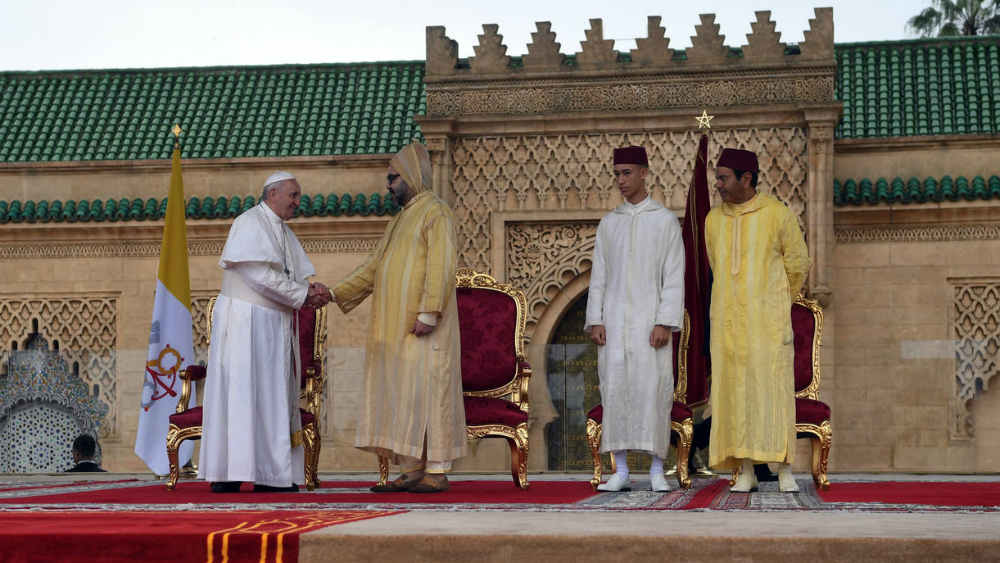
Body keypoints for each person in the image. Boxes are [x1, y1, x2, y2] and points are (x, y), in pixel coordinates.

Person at [330, 141, 466, 494]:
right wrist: (333, 293)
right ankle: (416, 467)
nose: (388, 185)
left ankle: (438, 468)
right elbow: (374, 268)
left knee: (431, 392)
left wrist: (429, 313)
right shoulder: (399, 221)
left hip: (425, 327)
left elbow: (442, 264)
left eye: (392, 178)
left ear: (409, 176)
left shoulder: (436, 212)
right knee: (407, 395)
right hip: (396, 329)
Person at [199, 171, 331, 493]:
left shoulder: (283, 232)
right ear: (273, 194)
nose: (298, 202)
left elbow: (290, 275)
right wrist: (303, 295)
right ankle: (229, 473)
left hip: (272, 325)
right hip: (247, 325)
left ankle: (270, 475)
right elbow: (260, 277)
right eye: (293, 195)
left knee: (269, 398)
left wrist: (308, 288)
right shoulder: (248, 224)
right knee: (241, 396)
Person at [705, 148, 811, 493]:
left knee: (771, 394)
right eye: (717, 177)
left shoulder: (778, 215)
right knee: (735, 394)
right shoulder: (713, 220)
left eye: (723, 177)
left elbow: (798, 264)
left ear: (746, 179)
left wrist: (774, 301)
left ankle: (783, 470)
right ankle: (746, 470)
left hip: (767, 324)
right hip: (728, 326)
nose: (717, 184)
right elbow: (716, 265)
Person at [585, 145, 685, 493]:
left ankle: (658, 470)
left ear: (644, 173)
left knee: (653, 390)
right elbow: (599, 275)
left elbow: (674, 276)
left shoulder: (665, 220)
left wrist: (664, 321)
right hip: (614, 324)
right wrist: (596, 319)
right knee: (615, 390)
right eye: (616, 174)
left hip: (650, 325)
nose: (621, 181)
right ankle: (622, 471)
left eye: (627, 173)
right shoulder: (609, 223)